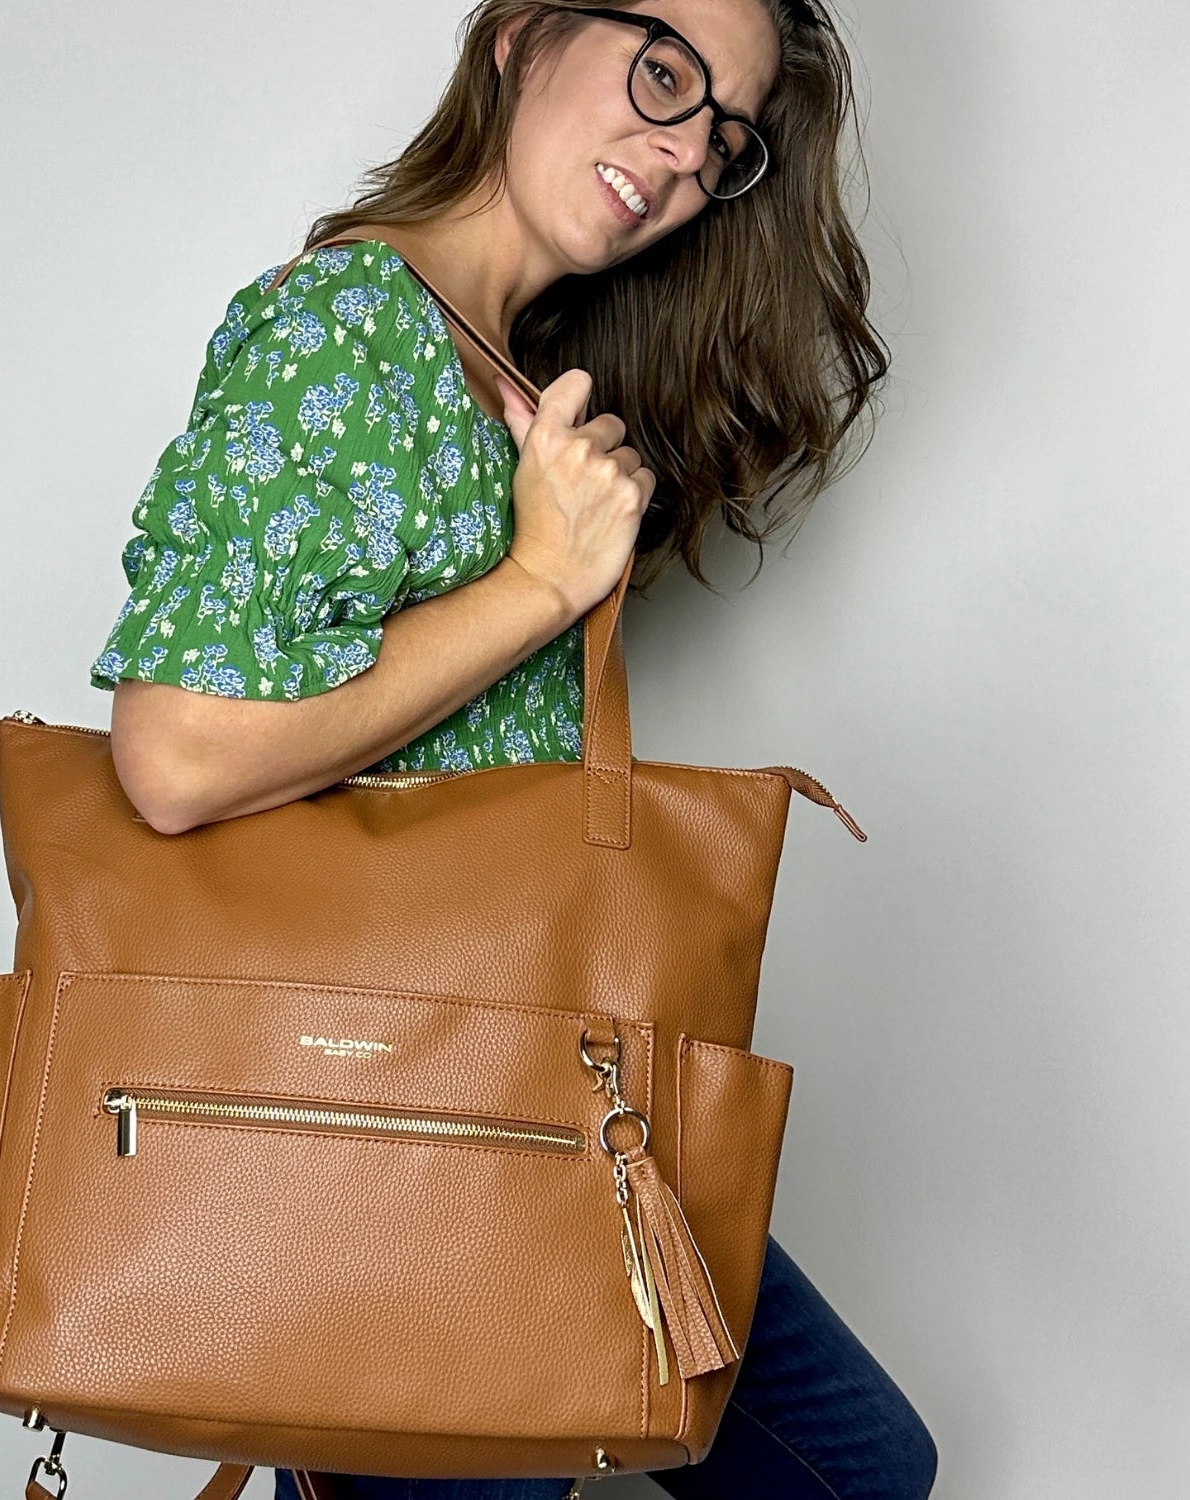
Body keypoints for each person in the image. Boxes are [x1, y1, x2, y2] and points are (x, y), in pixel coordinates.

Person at [87, 2, 938, 1496]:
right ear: (524, 35)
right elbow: (176, 752)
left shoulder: (511, 374)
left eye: (725, 139)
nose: (683, 156)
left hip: (545, 1095)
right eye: (663, 73)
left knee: (855, 1468)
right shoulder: (348, 327)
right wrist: (540, 583)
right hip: (402, 1140)